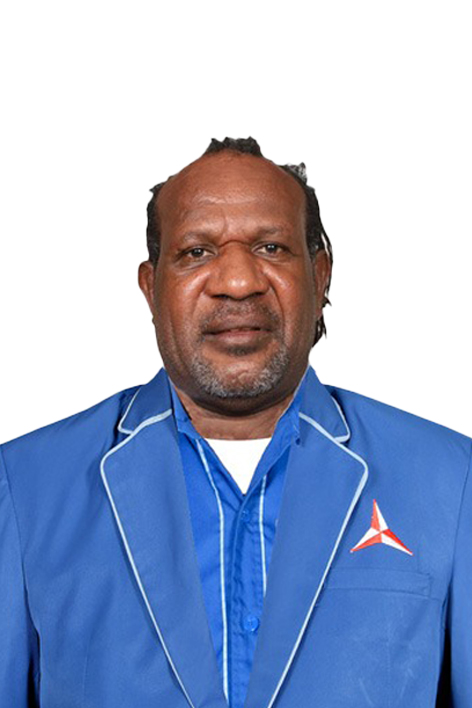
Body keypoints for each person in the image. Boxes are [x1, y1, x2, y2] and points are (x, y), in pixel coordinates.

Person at [1, 137, 470, 708]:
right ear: (151, 286)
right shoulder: (24, 486)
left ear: (320, 276)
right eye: (197, 252)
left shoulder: (451, 482)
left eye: (271, 247)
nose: (238, 281)